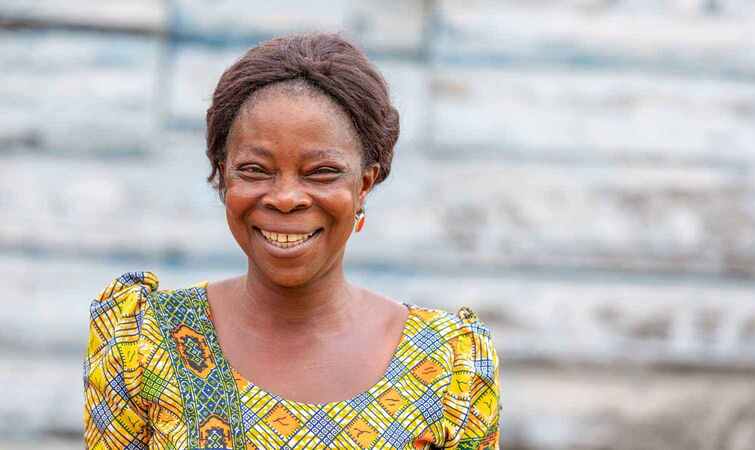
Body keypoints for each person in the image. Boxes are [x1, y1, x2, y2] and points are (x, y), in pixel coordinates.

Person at [83, 32, 500, 449]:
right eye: (255, 170)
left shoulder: (449, 364)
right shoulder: (143, 341)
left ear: (364, 185)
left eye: (321, 172)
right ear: (224, 176)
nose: (285, 198)